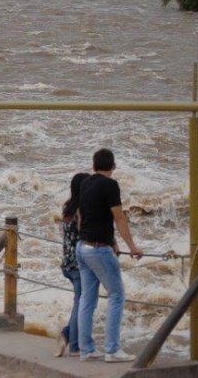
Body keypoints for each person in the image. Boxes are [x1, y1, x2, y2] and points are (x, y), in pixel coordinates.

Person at [76, 149, 143, 363]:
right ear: (113, 166)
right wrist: (131, 246)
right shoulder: (110, 185)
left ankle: (86, 349)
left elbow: (82, 216)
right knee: (117, 296)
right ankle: (112, 349)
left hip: (82, 247)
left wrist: (109, 240)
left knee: (87, 298)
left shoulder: (86, 182)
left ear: (94, 165)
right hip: (99, 249)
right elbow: (119, 218)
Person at [56, 172, 91, 358]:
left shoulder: (67, 208)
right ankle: (74, 345)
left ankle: (68, 334)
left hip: (66, 263)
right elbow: (85, 235)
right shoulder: (82, 210)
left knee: (79, 301)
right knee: (81, 303)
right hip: (79, 265)